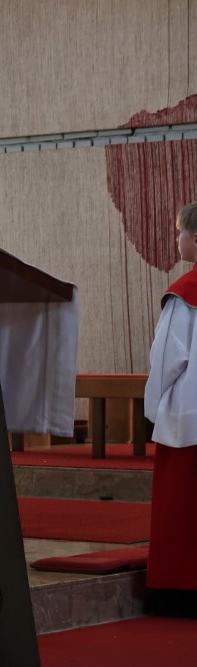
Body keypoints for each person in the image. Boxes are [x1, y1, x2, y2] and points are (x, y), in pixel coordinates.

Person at [143, 201, 197, 617]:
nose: (177, 239)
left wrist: (153, 408)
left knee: (182, 507)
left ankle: (178, 589)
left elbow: (167, 359)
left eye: (180, 231)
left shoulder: (186, 293)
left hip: (189, 419)